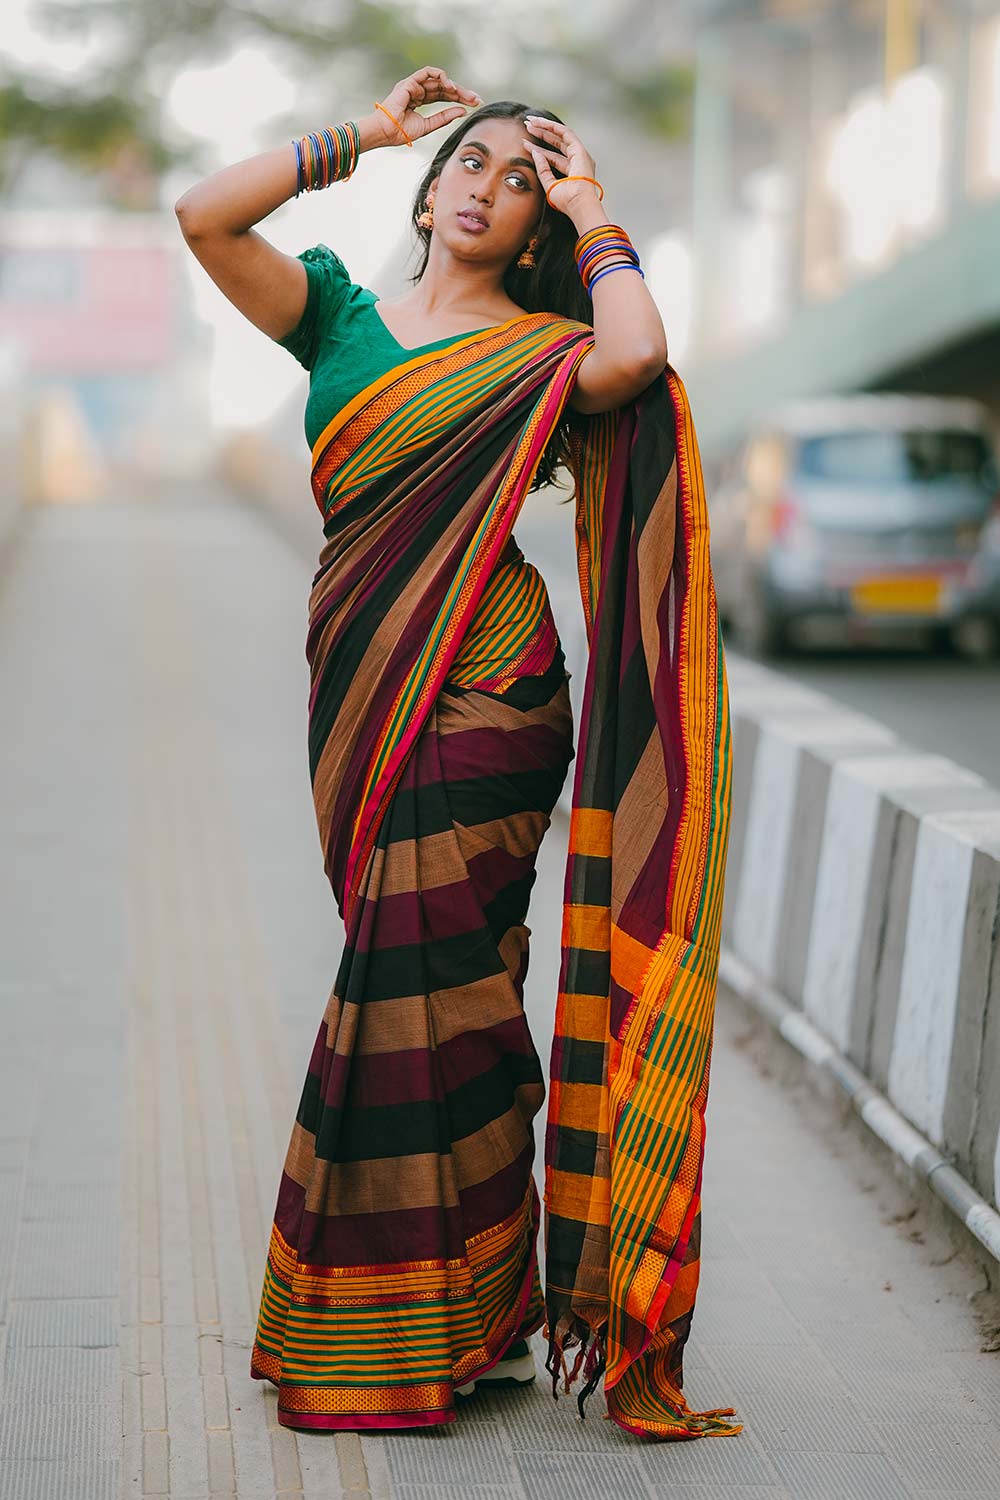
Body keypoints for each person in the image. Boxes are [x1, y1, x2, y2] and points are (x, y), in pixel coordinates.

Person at [174, 65, 740, 1442]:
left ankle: (391, 1328)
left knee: (414, 979)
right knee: (457, 985)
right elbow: (201, 217)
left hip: (490, 696)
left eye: (522, 181)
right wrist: (356, 137)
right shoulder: (338, 320)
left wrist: (597, 211)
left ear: (539, 229)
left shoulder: (548, 353)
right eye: (471, 166)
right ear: (431, 189)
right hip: (363, 690)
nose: (487, 186)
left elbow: (639, 357)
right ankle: (481, 1302)